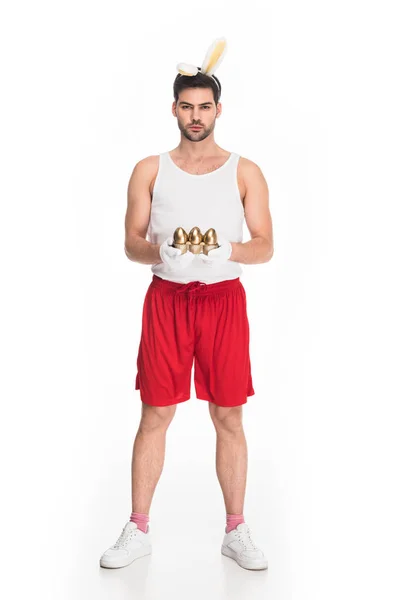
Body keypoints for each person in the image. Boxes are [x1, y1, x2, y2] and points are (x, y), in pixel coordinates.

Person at [99, 39, 273, 572]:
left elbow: (265, 245)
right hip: (167, 300)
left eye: (205, 107)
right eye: (187, 106)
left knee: (228, 415)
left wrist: (229, 249)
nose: (196, 116)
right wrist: (160, 249)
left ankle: (236, 529)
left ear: (218, 110)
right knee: (156, 412)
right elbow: (130, 243)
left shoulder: (245, 171)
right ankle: (138, 528)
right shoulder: (149, 169)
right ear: (173, 109)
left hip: (223, 301)